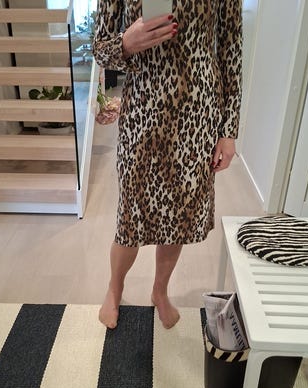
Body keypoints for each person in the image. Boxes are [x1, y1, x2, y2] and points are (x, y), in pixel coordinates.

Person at [92, 0, 242, 329]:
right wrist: (125, 43)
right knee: (131, 215)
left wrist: (228, 131)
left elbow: (231, 52)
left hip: (198, 116)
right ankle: (114, 289)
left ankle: (160, 291)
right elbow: (100, 49)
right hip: (142, 114)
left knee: (179, 218)